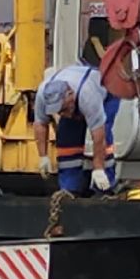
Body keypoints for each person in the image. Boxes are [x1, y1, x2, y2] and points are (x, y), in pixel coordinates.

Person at [34, 62, 119, 195]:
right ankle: (70, 186)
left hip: (107, 90)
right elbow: (40, 124)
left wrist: (98, 169)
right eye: (59, 111)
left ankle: (104, 183)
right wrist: (43, 156)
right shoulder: (42, 94)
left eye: (64, 109)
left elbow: (98, 135)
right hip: (78, 84)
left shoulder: (88, 96)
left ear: (70, 94)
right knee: (67, 138)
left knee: (105, 134)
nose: (63, 114)